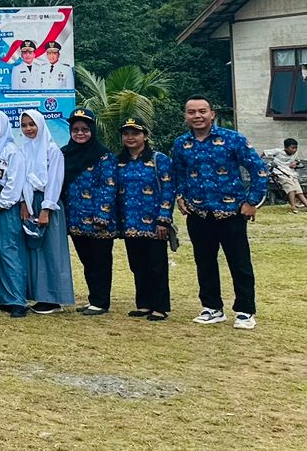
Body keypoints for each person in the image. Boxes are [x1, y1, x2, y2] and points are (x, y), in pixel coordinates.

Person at [171, 96, 269, 330]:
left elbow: (258, 169)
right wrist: (180, 196)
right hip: (199, 214)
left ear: (212, 114)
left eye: (202, 111)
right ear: (185, 116)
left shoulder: (232, 139)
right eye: (191, 112)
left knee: (239, 263)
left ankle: (245, 311)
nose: (197, 116)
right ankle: (212, 307)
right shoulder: (181, 144)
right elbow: (178, 173)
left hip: (231, 213)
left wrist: (252, 201)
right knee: (204, 262)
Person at [112, 117, 174, 321]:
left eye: (135, 133)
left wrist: (164, 219)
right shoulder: (119, 162)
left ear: (145, 136)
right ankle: (144, 303)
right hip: (130, 223)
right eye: (126, 134)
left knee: (156, 265)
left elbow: (168, 190)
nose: (130, 137)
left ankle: (160, 306)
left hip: (154, 223)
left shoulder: (159, 159)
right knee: (137, 265)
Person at [13, 109, 74, 314]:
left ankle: (54, 298)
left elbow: (55, 181)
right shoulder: (24, 149)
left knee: (51, 250)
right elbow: (21, 178)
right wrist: (24, 202)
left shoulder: (52, 150)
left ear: (40, 125)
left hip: (49, 203)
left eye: (32, 124)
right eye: (24, 125)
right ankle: (39, 295)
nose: (28, 129)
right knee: (34, 250)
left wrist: (46, 209)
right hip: (30, 202)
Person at [61, 109, 116, 314]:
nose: (80, 133)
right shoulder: (66, 154)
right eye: (75, 129)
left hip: (98, 219)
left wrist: (102, 215)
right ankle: (94, 298)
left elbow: (108, 186)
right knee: (86, 260)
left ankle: (101, 302)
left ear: (92, 129)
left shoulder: (103, 156)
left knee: (100, 260)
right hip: (75, 219)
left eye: (85, 129)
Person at [0, 111, 28, 317]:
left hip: (5, 206)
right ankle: (1, 297)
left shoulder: (11, 151)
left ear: (3, 127)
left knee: (8, 251)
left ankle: (17, 300)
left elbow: (14, 184)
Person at [266, 137, 305, 212]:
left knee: (299, 191)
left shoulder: (295, 154)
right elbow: (265, 153)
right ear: (286, 148)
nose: (294, 150)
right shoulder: (278, 152)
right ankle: (293, 207)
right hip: (280, 173)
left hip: (292, 174)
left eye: (296, 148)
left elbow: (298, 161)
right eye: (292, 148)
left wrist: (296, 163)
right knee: (291, 188)